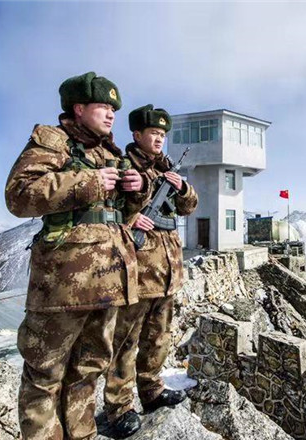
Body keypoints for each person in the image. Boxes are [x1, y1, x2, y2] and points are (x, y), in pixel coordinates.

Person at [4, 72, 151, 440]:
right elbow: (18, 195)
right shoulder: (53, 142)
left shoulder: (111, 155)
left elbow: (121, 216)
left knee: (90, 367)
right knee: (45, 373)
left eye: (114, 109)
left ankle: (82, 433)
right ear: (79, 108)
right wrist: (87, 182)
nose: (112, 114)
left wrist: (137, 189)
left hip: (109, 280)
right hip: (63, 285)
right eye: (103, 106)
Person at [103, 104, 198, 438]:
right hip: (137, 269)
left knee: (159, 337)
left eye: (162, 135)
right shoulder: (122, 166)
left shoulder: (166, 167)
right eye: (153, 133)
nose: (159, 139)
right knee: (125, 341)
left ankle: (152, 391)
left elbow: (188, 207)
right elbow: (105, 209)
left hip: (168, 269)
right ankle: (119, 407)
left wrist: (182, 187)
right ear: (137, 134)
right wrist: (130, 219)